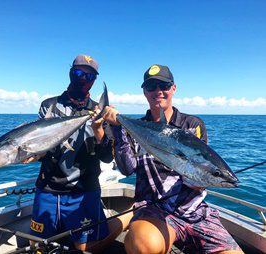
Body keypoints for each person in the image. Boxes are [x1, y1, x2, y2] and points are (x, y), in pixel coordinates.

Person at [102, 64, 244, 254]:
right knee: (142, 246)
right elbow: (128, 169)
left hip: (195, 212)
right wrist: (117, 128)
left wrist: (204, 180)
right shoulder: (135, 127)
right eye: (151, 87)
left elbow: (199, 171)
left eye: (164, 86)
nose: (158, 91)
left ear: (174, 88)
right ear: (144, 92)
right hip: (153, 209)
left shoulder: (193, 125)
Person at [25, 54, 132, 253]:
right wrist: (32, 153)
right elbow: (42, 146)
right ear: (70, 72)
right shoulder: (49, 106)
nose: (83, 79)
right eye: (79, 72)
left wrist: (99, 129)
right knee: (37, 247)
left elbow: (107, 157)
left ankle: (126, 217)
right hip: (48, 188)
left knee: (85, 248)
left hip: (84, 191)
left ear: (94, 81)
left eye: (90, 76)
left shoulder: (99, 111)